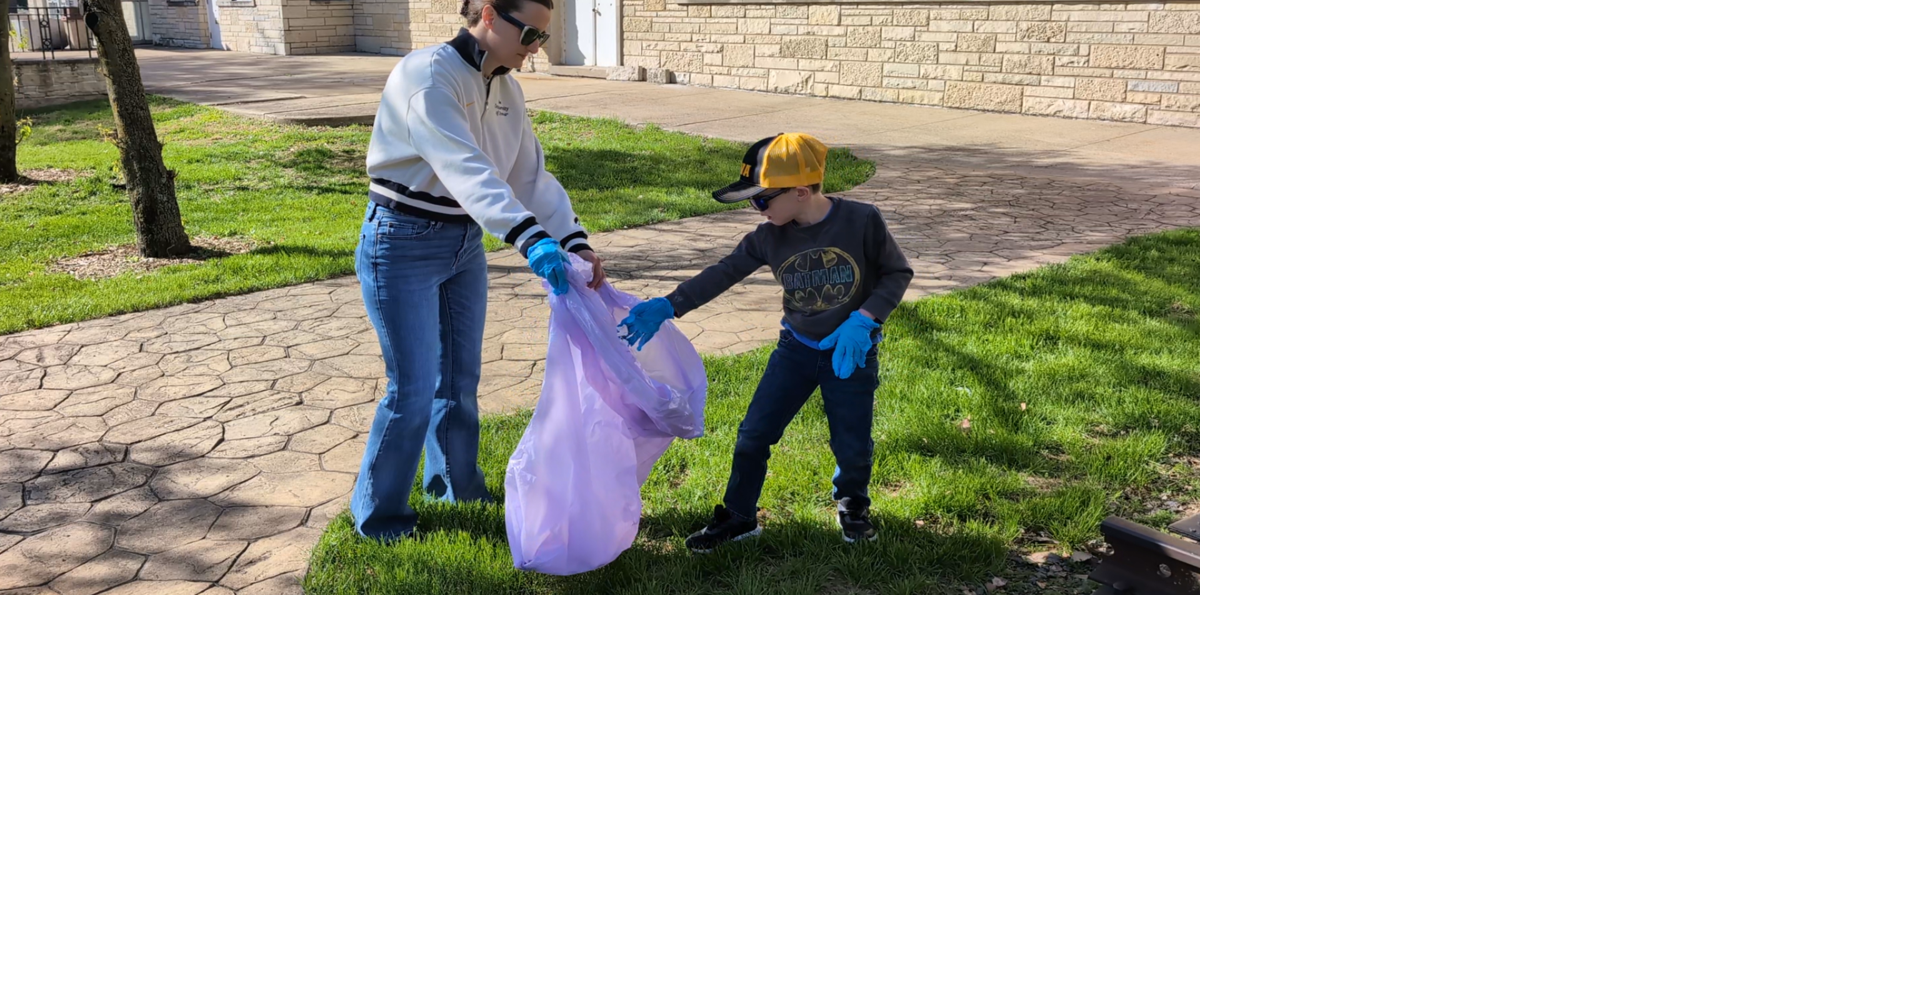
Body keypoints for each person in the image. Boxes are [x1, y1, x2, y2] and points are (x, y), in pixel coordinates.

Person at [349, 0, 604, 539]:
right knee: (412, 389)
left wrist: (572, 240)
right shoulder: (426, 75)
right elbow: (464, 168)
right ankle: (381, 518)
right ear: (489, 15)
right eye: (530, 34)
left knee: (460, 381)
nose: (537, 48)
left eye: (543, 37)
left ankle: (455, 488)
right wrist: (529, 238)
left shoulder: (507, 88)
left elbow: (528, 176)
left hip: (463, 243)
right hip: (401, 239)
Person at [619, 133, 913, 551]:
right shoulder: (768, 237)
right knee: (754, 435)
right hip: (795, 351)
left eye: (760, 200)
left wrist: (865, 320)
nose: (755, 209)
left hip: (850, 352)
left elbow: (897, 273)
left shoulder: (862, 220)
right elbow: (724, 272)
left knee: (851, 441)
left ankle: (853, 505)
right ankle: (739, 515)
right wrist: (671, 304)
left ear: (799, 192)